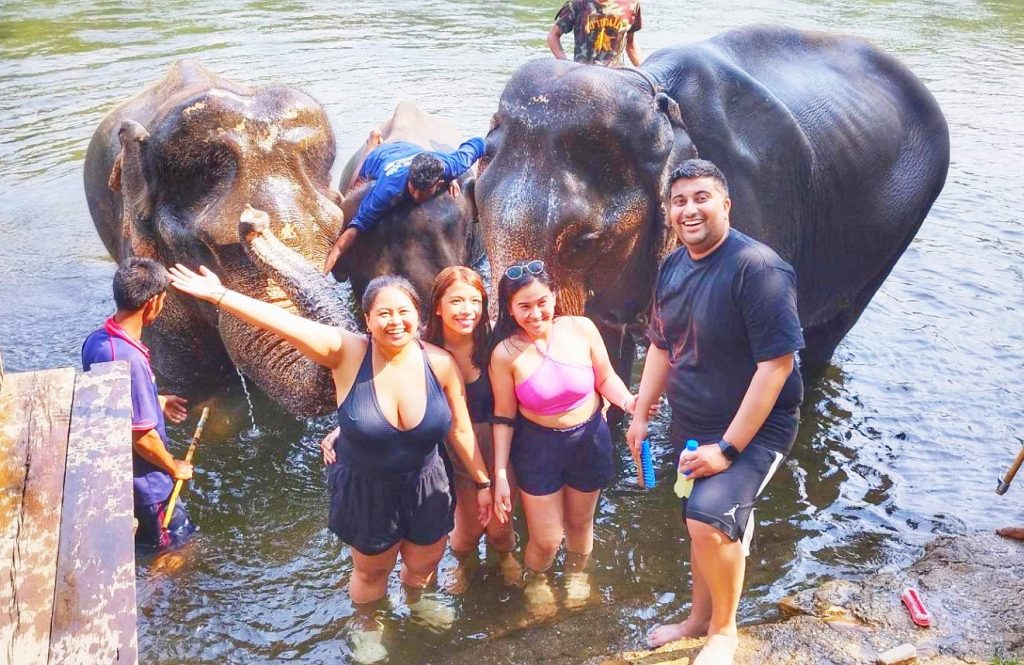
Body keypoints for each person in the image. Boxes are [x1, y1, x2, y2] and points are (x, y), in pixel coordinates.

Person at [168, 222, 493, 607]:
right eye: (383, 313)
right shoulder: (345, 351)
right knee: (372, 571)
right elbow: (283, 323)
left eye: (403, 312)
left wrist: (483, 481)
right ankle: (369, 621)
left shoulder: (438, 363)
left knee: (424, 565)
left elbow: (459, 431)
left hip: (426, 484)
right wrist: (221, 295)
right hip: (367, 489)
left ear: (418, 315)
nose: (395, 321)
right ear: (367, 319)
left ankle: (418, 605)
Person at [626, 159, 804, 665]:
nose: (690, 210)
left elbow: (776, 367)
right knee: (694, 519)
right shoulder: (673, 265)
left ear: (726, 203)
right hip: (692, 421)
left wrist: (727, 450)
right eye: (679, 201)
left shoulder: (758, 269)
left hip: (754, 427)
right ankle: (697, 618)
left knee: (711, 518)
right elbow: (661, 344)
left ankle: (723, 632)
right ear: (669, 212)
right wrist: (640, 413)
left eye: (701, 198)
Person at [489, 260, 640, 612]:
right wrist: (499, 474)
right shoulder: (505, 354)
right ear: (509, 309)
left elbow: (605, 379)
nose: (535, 313)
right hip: (538, 447)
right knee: (546, 538)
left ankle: (576, 574)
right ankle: (537, 577)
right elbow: (503, 416)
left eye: (542, 302)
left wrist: (630, 402)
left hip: (589, 439)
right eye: (524, 306)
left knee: (579, 524)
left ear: (555, 297)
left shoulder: (581, 329)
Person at [81, 257, 196, 549]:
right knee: (177, 550)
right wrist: (174, 467)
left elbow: (113, 401)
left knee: (147, 545)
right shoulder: (131, 360)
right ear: (154, 303)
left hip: (122, 479)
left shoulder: (97, 341)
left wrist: (155, 401)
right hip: (150, 486)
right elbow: (142, 437)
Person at [424, 266, 522, 591]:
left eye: (475, 301)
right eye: (456, 301)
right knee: (466, 532)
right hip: (453, 452)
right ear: (438, 306)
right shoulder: (422, 350)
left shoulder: (494, 344)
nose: (468, 311)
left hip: (496, 444)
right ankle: (466, 563)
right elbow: (385, 384)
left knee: (498, 524)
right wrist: (343, 429)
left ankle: (505, 555)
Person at [322, 134, 486, 276]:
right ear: (410, 179)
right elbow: (353, 230)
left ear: (439, 184)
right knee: (354, 189)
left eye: (423, 193)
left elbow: (478, 143)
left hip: (412, 151)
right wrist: (327, 267)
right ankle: (372, 142)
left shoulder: (451, 165)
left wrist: (453, 178)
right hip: (379, 158)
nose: (415, 195)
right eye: (413, 188)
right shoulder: (388, 190)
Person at [547, 0, 643, 67]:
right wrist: (566, 63)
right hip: (584, 74)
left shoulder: (631, 5)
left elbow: (630, 43)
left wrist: (643, 70)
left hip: (615, 76)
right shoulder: (577, 5)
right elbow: (553, 35)